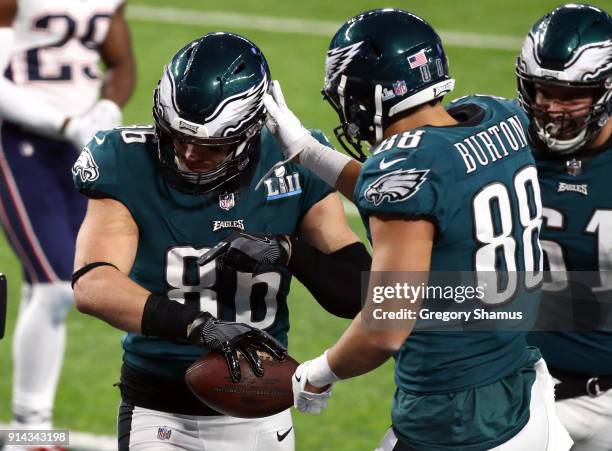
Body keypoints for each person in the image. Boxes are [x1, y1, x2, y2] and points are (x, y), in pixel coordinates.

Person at [263, 8, 573, 450]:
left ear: (366, 93)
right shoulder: (498, 117)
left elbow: (385, 327)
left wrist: (319, 372)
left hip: (454, 416)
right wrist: (309, 153)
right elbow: (427, 197)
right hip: (522, 391)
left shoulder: (405, 167)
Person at [71, 32, 369, 451]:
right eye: (177, 136)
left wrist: (288, 250)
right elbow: (93, 285)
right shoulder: (124, 159)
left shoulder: (294, 166)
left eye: (211, 145)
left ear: (250, 131)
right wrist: (199, 327)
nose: (189, 154)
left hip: (259, 408)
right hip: (158, 408)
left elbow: (360, 290)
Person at [0, 0, 135, 431]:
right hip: (16, 140)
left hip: (76, 145)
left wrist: (106, 109)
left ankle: (33, 425)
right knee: (56, 285)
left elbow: (121, 61)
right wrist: (61, 122)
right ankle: (31, 427)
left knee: (55, 287)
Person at [516, 4, 612, 450]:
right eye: (542, 90)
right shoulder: (501, 146)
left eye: (571, 95)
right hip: (526, 397)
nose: (552, 107)